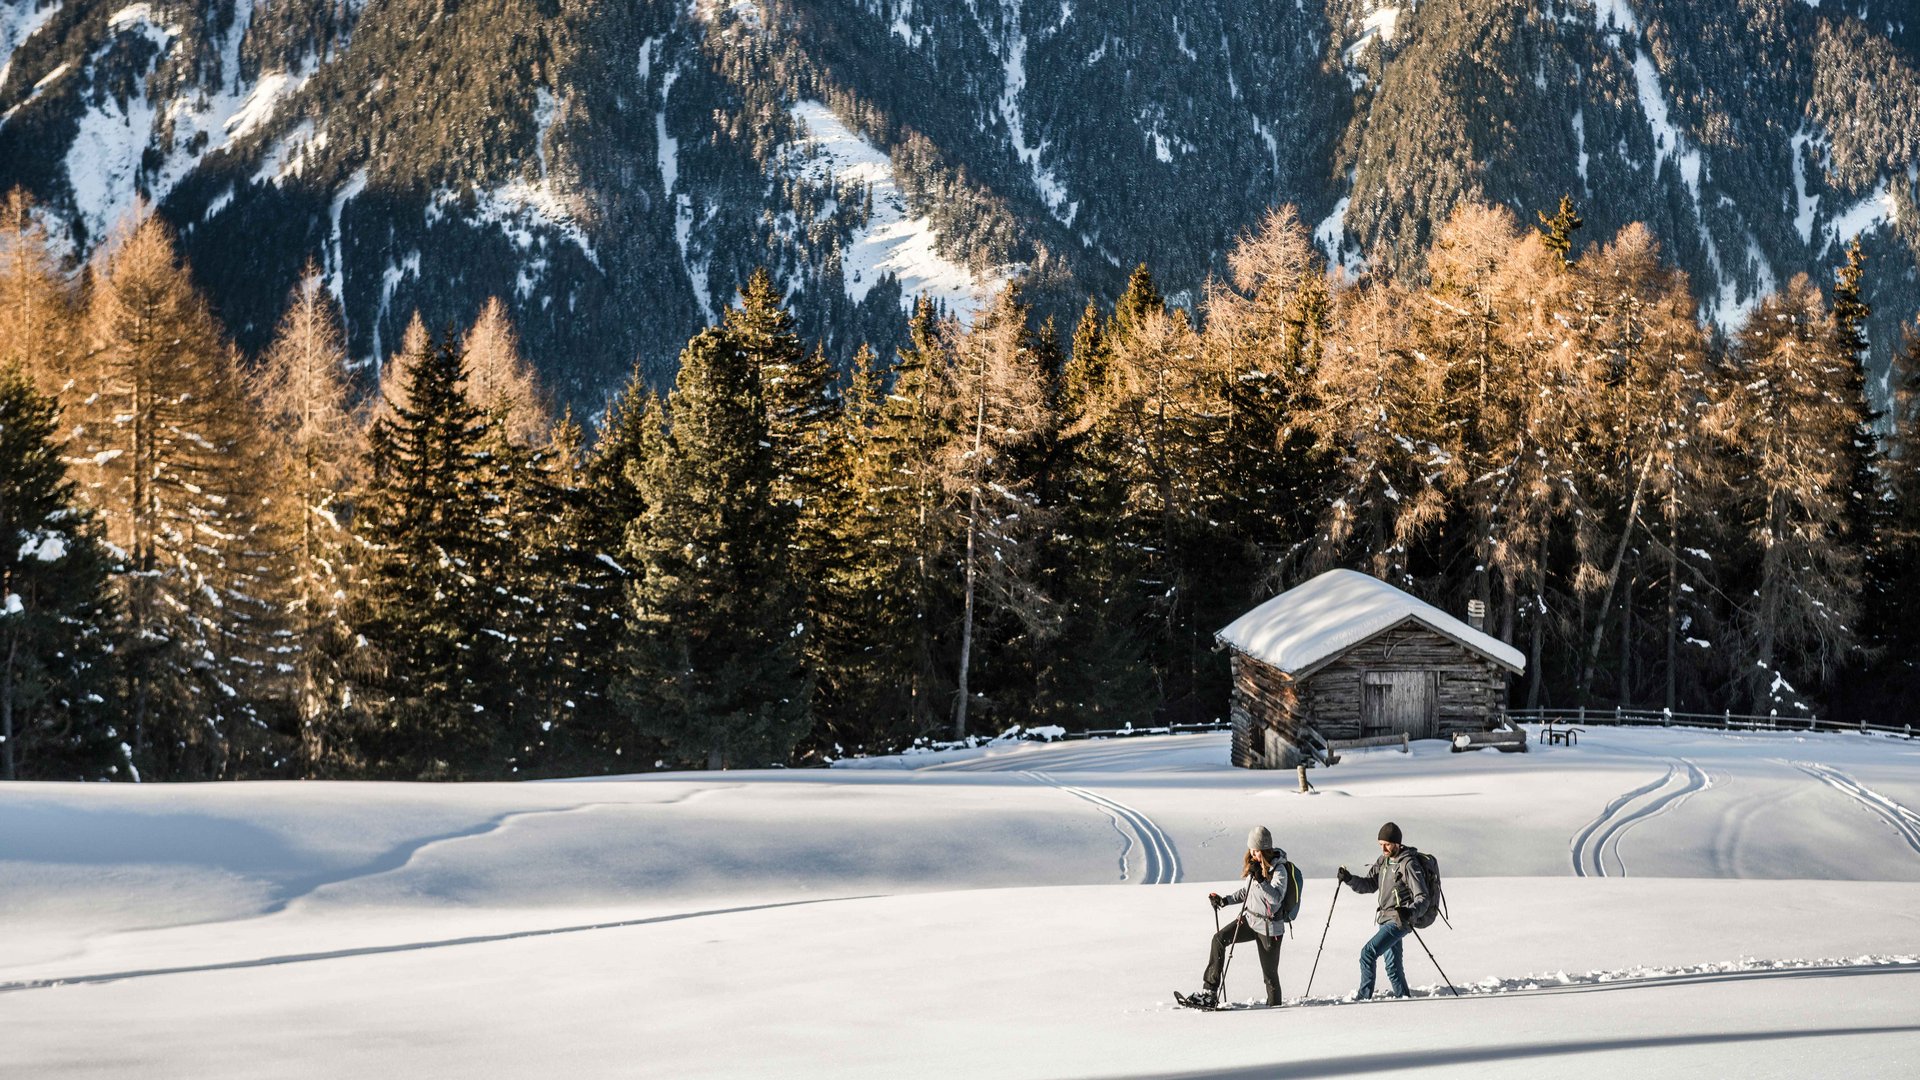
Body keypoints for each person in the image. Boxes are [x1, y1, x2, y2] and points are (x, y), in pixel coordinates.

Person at [1184, 826, 1290, 1008]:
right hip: (1249, 920)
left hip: (1269, 928)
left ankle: (1275, 1011)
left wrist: (1262, 880)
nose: (1253, 853)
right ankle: (1209, 992)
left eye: (1256, 850)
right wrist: (1225, 900)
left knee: (1270, 977)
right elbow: (1247, 892)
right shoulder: (1255, 867)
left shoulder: (1279, 870)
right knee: (1218, 939)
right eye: (1251, 849)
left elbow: (1276, 899)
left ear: (1265, 850)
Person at [1336, 821, 1429, 1001]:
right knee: (1393, 967)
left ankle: (1363, 998)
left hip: (1399, 920)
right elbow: (1370, 884)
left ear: (1397, 843)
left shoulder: (1408, 864)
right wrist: (1349, 879)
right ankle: (1404, 999)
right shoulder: (1384, 861)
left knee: (1367, 954)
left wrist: (1409, 912)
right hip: (1384, 918)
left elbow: (1422, 897)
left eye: (1387, 844)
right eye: (1381, 845)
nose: (1383, 849)